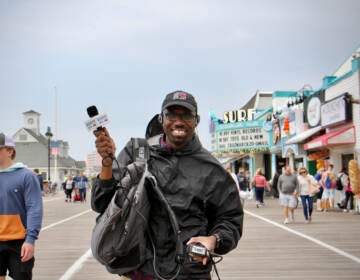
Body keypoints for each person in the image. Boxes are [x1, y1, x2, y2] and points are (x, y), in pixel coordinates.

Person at [91, 91, 243, 279]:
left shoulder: (212, 169)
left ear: (196, 120)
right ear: (161, 119)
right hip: (139, 271)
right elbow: (100, 204)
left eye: (186, 115)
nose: (179, 121)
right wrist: (107, 161)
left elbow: (231, 219)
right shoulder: (138, 151)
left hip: (189, 273)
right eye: (171, 115)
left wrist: (214, 240)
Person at [0, 133, 43, 280]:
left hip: (19, 242)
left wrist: (30, 240)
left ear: (10, 151)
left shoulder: (26, 176)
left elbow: (34, 208)